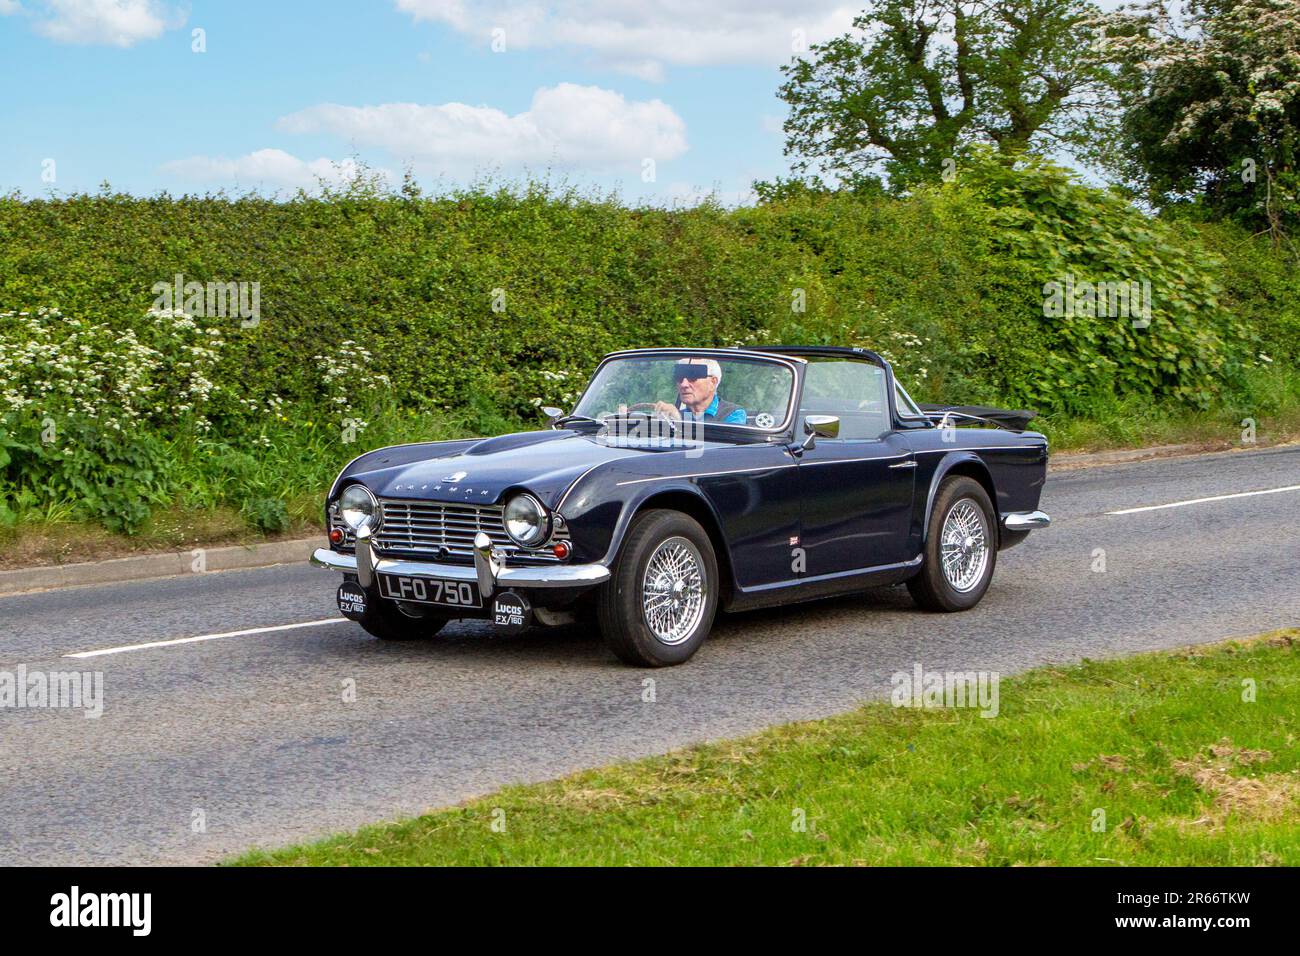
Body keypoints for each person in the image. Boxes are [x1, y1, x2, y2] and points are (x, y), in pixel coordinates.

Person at [654, 357, 746, 424]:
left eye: (693, 376)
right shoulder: (676, 416)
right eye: (679, 377)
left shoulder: (732, 414)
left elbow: (722, 449)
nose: (683, 384)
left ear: (712, 382)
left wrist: (677, 422)